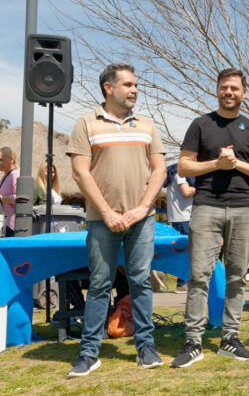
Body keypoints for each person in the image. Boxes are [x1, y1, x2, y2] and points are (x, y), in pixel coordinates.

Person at [66, 63, 167, 377]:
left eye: (135, 85)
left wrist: (141, 208)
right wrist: (108, 213)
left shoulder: (147, 126)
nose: (134, 89)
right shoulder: (86, 124)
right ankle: (88, 353)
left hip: (143, 219)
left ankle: (146, 347)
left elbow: (160, 171)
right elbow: (80, 172)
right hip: (101, 221)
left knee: (140, 283)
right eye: (128, 84)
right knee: (99, 285)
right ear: (109, 88)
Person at [172, 68, 249, 368]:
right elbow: (184, 168)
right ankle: (193, 342)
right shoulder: (200, 125)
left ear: (244, 93)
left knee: (238, 276)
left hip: (243, 207)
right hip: (206, 207)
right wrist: (216, 163)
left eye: (235, 88)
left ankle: (230, 338)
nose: (229, 92)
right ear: (217, 90)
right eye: (224, 87)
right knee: (199, 276)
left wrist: (236, 163)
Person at [164, 162, 195, 288]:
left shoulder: (173, 171)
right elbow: (186, 191)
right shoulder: (181, 172)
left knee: (184, 251)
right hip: (184, 217)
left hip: (179, 217)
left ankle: (183, 281)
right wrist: (204, 188)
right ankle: (183, 282)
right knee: (187, 251)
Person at [0, 147, 19, 237]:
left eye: (1, 160)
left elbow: (20, 198)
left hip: (12, 226)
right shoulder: (6, 176)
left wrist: (2, 199)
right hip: (5, 223)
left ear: (11, 160)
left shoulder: (15, 174)